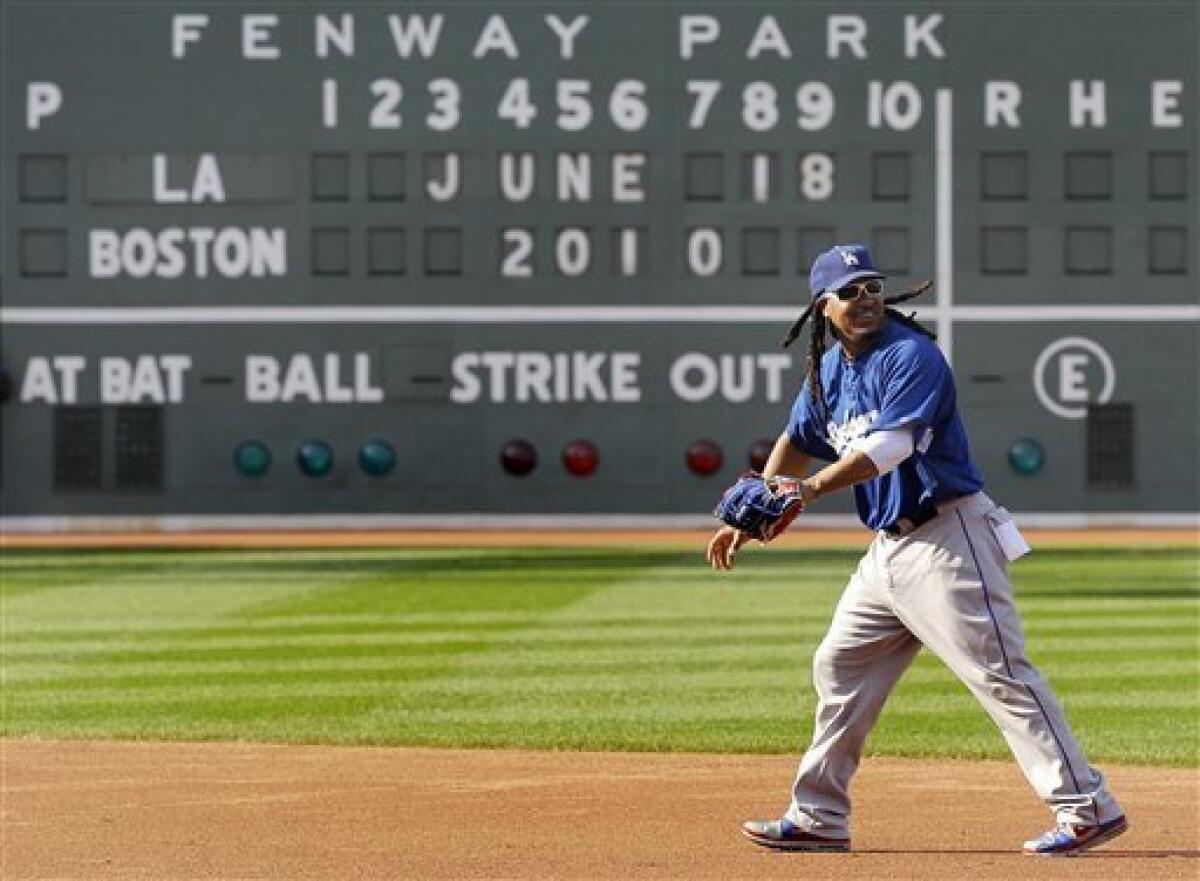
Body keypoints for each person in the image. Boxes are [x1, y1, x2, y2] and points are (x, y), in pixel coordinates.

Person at [705, 244, 1127, 857]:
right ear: (824, 307)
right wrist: (761, 509)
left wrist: (810, 489)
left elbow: (892, 447)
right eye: (851, 291)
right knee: (839, 664)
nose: (867, 297)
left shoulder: (912, 356)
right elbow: (797, 441)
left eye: (874, 285)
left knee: (999, 674)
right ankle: (820, 814)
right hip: (888, 553)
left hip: (949, 538)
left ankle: (1087, 807)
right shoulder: (827, 374)